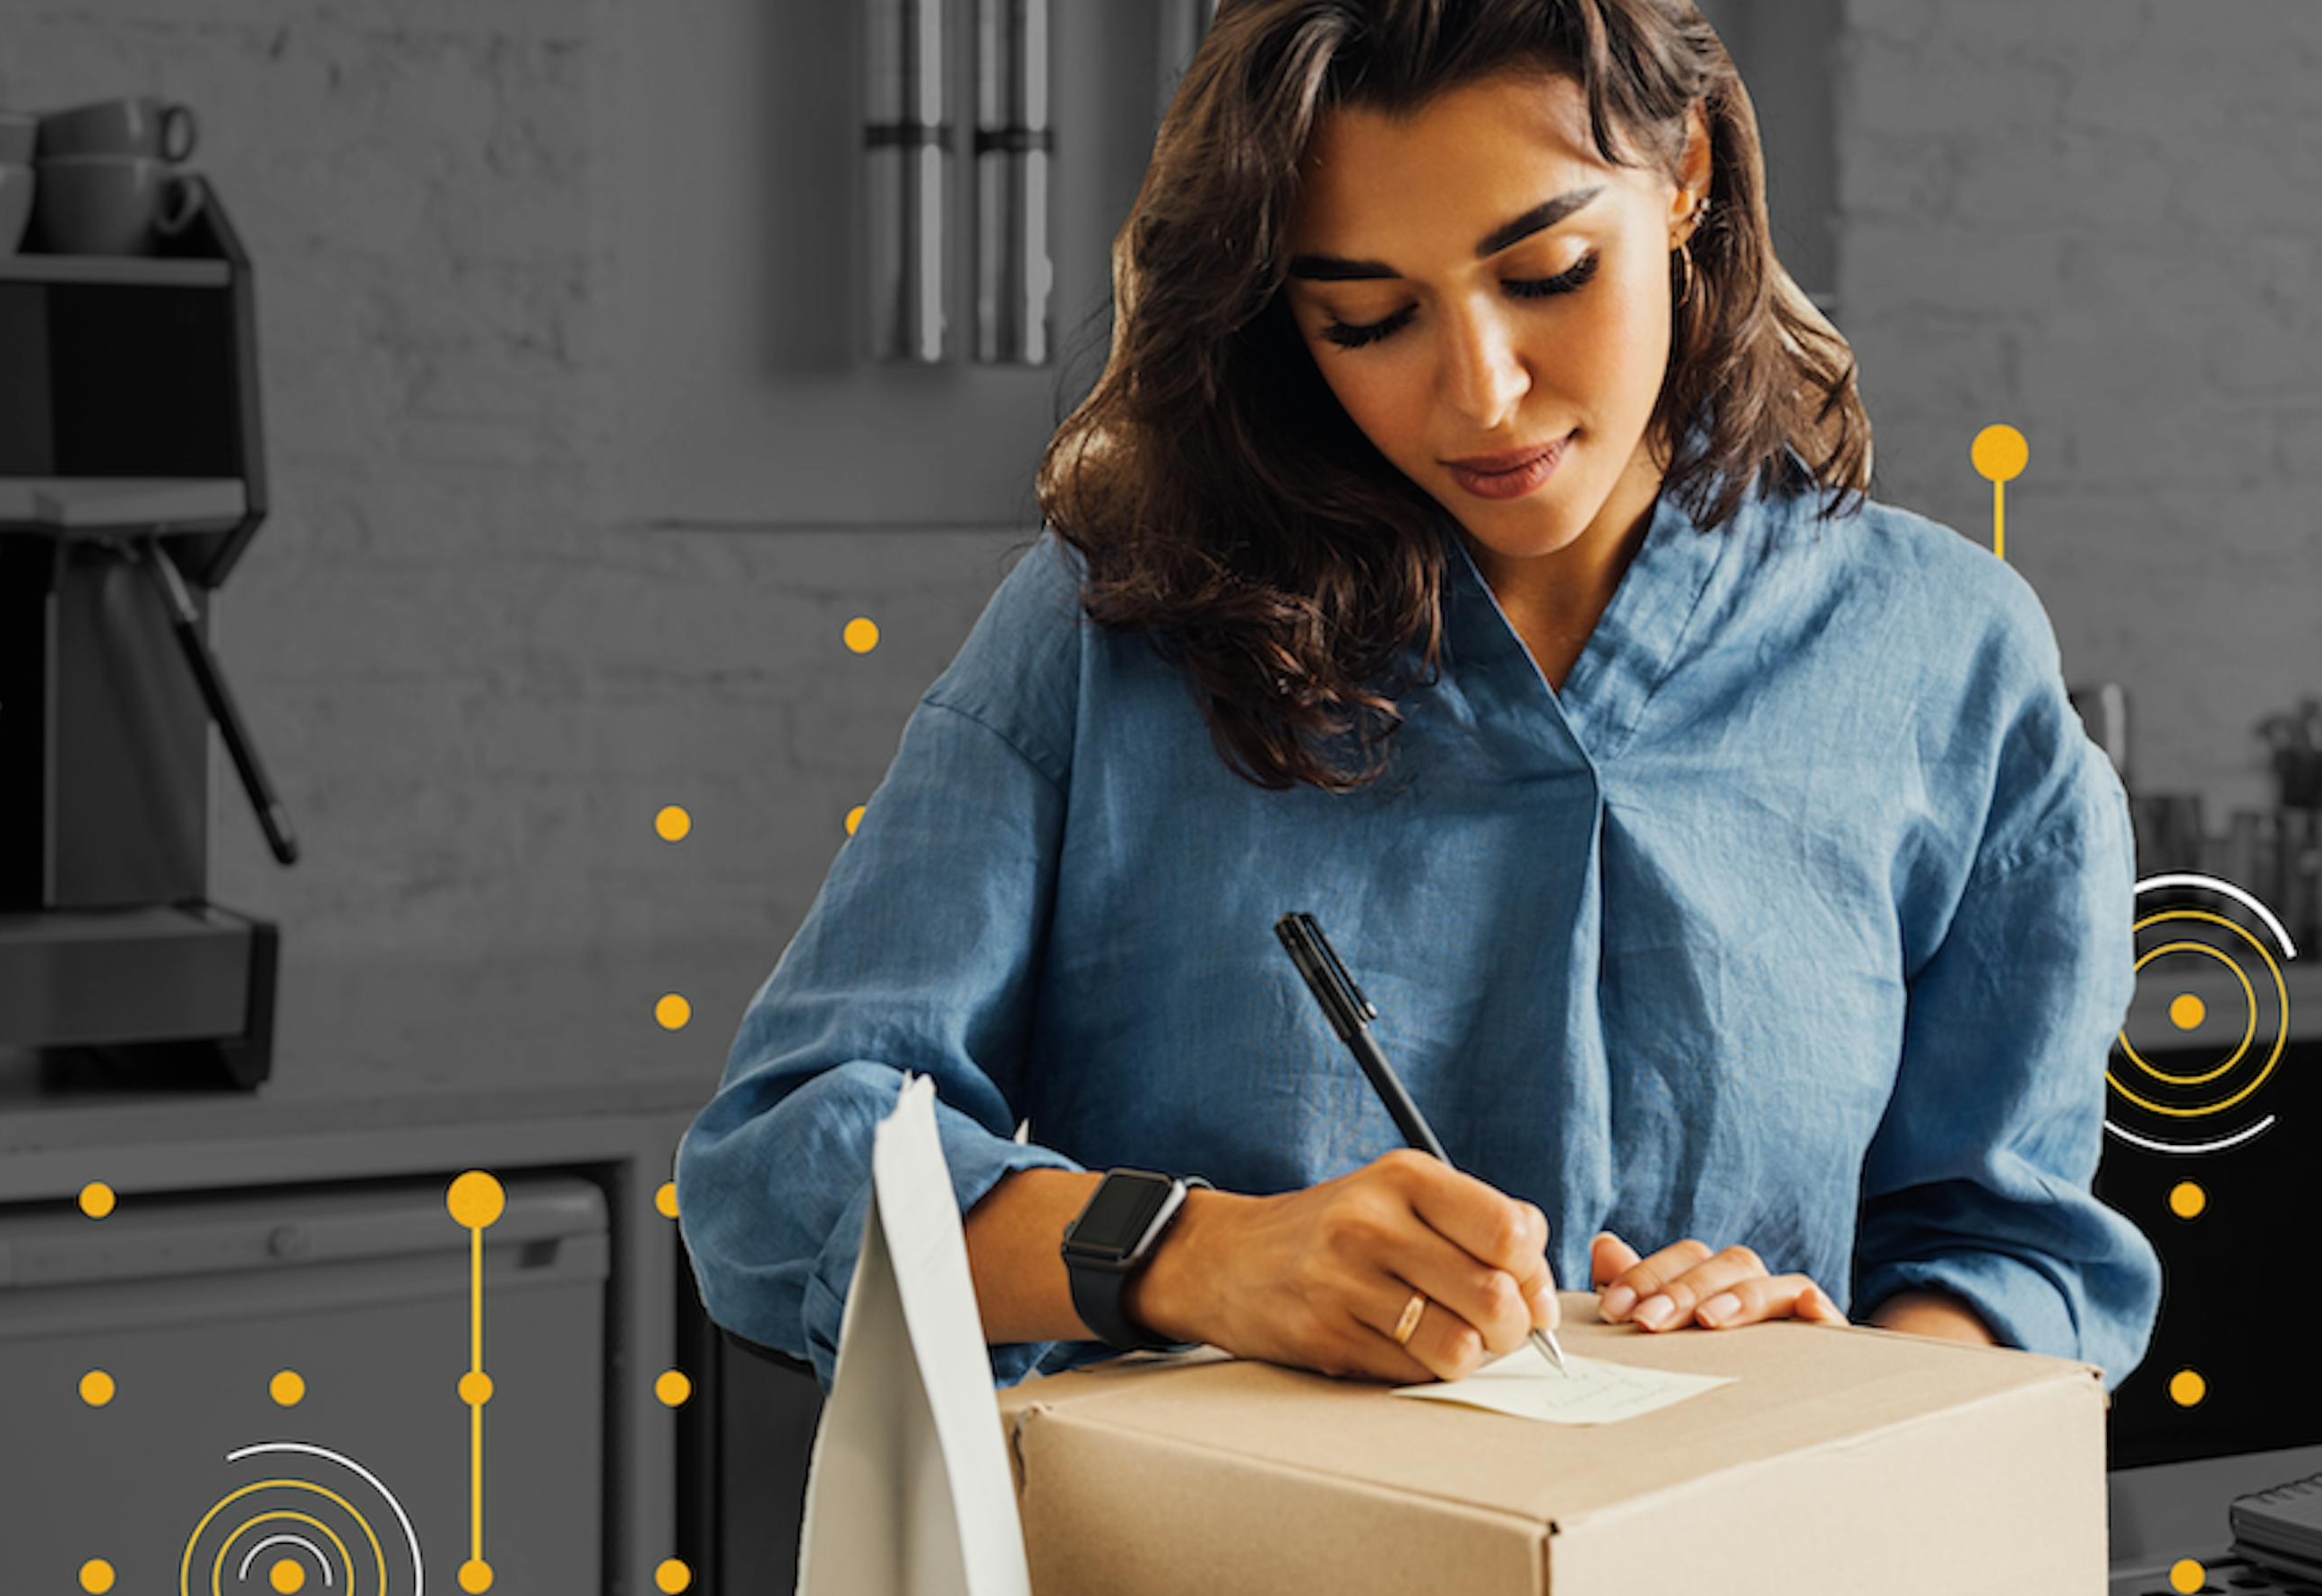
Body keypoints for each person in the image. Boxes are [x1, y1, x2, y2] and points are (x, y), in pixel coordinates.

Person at [673, 0, 2159, 1399]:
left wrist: (1838, 1373)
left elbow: (2010, 1252)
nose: (1482, 395)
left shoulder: (1950, 657)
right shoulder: (1108, 630)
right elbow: (773, 1173)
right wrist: (1194, 1254)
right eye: (1369, 318)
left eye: (1546, 276)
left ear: (1687, 168)